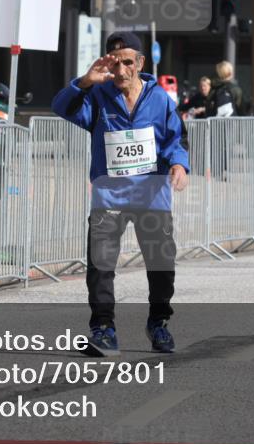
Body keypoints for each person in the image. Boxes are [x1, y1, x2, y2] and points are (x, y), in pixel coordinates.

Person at [51, 31, 190, 356]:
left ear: (140, 63)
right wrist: (84, 81)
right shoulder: (97, 95)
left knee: (161, 267)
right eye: (115, 63)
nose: (121, 69)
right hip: (109, 196)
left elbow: (176, 140)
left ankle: (159, 323)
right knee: (100, 266)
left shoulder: (160, 100)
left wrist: (180, 165)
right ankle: (103, 329)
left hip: (152, 196)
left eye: (128, 62)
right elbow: (63, 108)